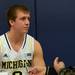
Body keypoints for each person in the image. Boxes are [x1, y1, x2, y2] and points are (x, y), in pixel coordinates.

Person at [0, 4, 65, 75]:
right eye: (23, 19)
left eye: (28, 19)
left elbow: (40, 72)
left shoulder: (34, 44)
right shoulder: (1, 43)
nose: (27, 22)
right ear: (11, 22)